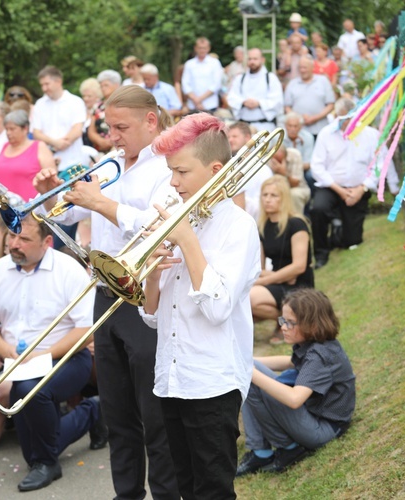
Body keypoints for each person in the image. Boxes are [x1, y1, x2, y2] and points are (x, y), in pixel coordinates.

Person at [34, 85, 180, 499]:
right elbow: (73, 211)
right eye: (108, 127)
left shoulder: (168, 167)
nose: (113, 136)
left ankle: (166, 494)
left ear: (150, 121)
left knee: (154, 413)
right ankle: (127, 493)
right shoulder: (111, 162)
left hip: (145, 297)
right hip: (105, 292)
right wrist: (52, 199)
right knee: (117, 412)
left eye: (121, 127)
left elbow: (159, 227)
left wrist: (100, 203)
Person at [144, 113, 260, 498]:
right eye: (169, 172)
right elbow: (151, 318)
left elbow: (217, 309)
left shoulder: (238, 226)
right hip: (171, 378)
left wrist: (188, 242)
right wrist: (151, 273)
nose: (173, 182)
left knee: (213, 489)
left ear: (214, 170)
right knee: (185, 486)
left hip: (212, 382)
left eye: (181, 172)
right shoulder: (181, 216)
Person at [0, 215, 101, 492]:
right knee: (25, 391)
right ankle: (93, 412)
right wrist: (5, 350)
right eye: (12, 237)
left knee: (30, 391)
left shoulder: (68, 270)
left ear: (47, 242)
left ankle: (46, 462)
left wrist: (44, 354)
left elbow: (86, 330)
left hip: (68, 357)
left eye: (25, 239)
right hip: (17, 361)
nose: (15, 245)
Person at [236, 289, 355, 476]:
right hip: (314, 418)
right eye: (282, 320)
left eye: (290, 323)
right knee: (250, 370)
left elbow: (294, 399)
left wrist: (250, 373)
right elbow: (290, 362)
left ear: (312, 325)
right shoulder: (317, 344)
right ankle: (262, 450)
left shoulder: (320, 356)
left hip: (323, 430)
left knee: (254, 380)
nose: (283, 327)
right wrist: (245, 362)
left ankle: (285, 448)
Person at [309, 97, 397, 269]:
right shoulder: (326, 134)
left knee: (352, 241)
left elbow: (380, 164)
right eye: (342, 119)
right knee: (318, 209)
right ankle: (320, 253)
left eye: (350, 119)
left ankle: (338, 231)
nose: (346, 123)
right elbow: (317, 167)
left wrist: (362, 188)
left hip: (359, 188)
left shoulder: (371, 135)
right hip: (332, 187)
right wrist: (339, 190)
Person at [249, 175, 314, 344]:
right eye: (265, 195)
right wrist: (263, 277)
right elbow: (259, 267)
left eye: (274, 195)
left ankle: (289, 321)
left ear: (283, 198)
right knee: (244, 296)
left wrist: (267, 279)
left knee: (252, 298)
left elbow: (299, 267)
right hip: (279, 280)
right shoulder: (262, 226)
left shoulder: (297, 224)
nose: (268, 200)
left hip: (299, 284)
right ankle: (287, 320)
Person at [31, 65, 87, 171]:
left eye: (47, 84)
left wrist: (62, 143)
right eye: (42, 85)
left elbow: (77, 129)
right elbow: (36, 133)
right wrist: (54, 143)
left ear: (58, 81)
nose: (44, 88)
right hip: (48, 164)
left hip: (73, 162)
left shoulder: (75, 101)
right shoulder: (39, 104)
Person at [0, 109, 56, 201]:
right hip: (3, 209)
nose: (8, 133)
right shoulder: (4, 147)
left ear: (25, 129)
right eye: (6, 129)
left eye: (12, 129)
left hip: (32, 208)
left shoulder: (39, 147)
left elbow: (52, 179)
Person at [226, 48, 284, 132]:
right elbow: (231, 97)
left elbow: (277, 100)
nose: (252, 62)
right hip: (243, 125)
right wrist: (243, 102)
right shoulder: (240, 78)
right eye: (250, 59)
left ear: (262, 60)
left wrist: (259, 103)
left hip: (265, 125)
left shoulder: (271, 78)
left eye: (255, 59)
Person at [227, 121, 273, 220]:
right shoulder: (225, 167)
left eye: (234, 136)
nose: (230, 140)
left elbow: (266, 201)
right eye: (228, 137)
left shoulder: (263, 169)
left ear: (247, 138)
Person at [284, 56, 336, 138]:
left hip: (320, 130)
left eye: (305, 67)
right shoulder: (292, 84)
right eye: (300, 67)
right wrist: (298, 119)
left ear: (312, 67)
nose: (302, 70)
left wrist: (315, 118)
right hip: (298, 133)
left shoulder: (323, 81)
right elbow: (287, 107)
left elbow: (331, 105)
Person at [181, 37, 224, 112]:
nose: (202, 50)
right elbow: (185, 84)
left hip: (210, 105)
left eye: (204, 48)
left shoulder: (215, 63)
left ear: (208, 48)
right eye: (200, 48)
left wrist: (199, 99)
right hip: (193, 105)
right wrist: (195, 100)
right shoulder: (189, 64)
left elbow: (216, 84)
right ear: (195, 48)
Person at [88, 69, 122, 153]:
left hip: (120, 148)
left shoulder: (125, 104)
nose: (103, 88)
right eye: (101, 86)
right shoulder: (97, 106)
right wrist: (101, 141)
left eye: (106, 85)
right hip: (101, 150)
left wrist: (114, 141)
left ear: (116, 85)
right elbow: (91, 131)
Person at [268, 147, 310, 214]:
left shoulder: (295, 155)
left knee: (295, 194)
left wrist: (284, 173)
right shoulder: (266, 158)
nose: (278, 163)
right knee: (269, 195)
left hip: (298, 188)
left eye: (280, 160)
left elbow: (295, 183)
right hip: (275, 189)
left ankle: (296, 221)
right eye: (275, 160)